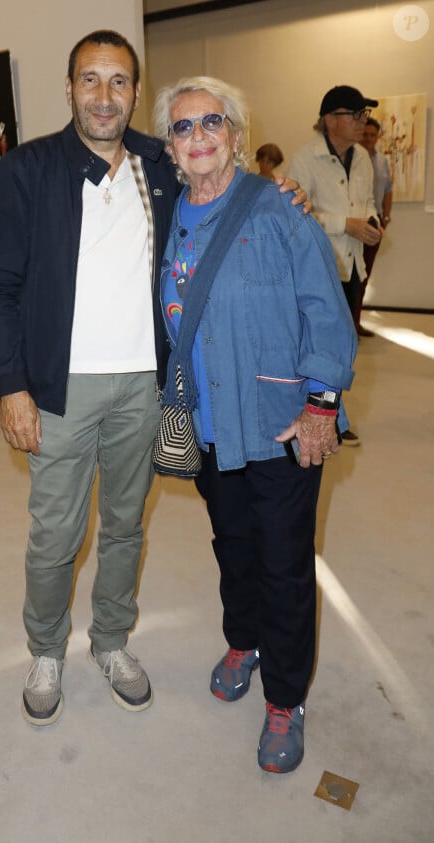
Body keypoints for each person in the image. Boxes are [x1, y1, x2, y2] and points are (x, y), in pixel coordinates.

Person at [0, 30, 308, 728]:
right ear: (68, 90)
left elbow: (220, 176)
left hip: (145, 388)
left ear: (133, 91)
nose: (104, 95)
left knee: (125, 525)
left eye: (119, 81)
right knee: (56, 533)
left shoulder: (158, 166)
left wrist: (281, 193)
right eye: (89, 80)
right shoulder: (27, 170)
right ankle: (45, 649)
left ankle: (112, 640)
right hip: (59, 390)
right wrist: (11, 385)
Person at [152, 76, 357, 774]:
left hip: (279, 424)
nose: (199, 136)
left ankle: (286, 696)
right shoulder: (171, 214)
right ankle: (245, 638)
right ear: (172, 147)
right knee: (232, 544)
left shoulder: (279, 211)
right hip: (211, 427)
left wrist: (321, 404)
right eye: (183, 127)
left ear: (237, 134)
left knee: (283, 561)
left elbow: (326, 312)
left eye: (213, 122)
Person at [288, 85, 381, 445]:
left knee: (344, 346)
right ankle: (321, 415)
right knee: (318, 347)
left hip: (353, 263)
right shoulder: (303, 159)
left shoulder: (362, 157)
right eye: (355, 114)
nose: (362, 122)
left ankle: (335, 417)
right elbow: (297, 212)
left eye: (364, 115)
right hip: (320, 269)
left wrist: (371, 220)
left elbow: (368, 200)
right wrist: (347, 224)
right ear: (330, 120)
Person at [357, 117, 393, 336]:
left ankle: (356, 321)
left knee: (365, 274)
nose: (369, 138)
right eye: (365, 134)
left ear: (377, 137)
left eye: (373, 135)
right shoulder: (353, 159)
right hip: (354, 220)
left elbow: (388, 190)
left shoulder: (383, 161)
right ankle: (348, 324)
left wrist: (385, 218)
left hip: (374, 219)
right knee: (351, 274)